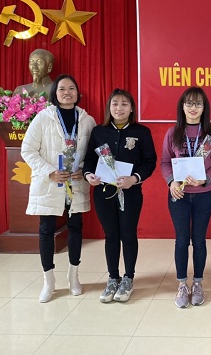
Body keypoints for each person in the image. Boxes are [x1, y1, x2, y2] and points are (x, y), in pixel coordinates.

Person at [21, 74, 96, 303]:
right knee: (46, 229)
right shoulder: (43, 118)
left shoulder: (87, 120)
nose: (67, 92)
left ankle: (73, 277)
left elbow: (94, 153)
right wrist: (49, 172)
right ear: (55, 93)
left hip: (75, 182)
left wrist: (83, 169)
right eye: (62, 89)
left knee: (75, 227)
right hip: (50, 183)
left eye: (71, 88)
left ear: (77, 92)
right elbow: (28, 150)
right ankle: (49, 281)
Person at [83, 89, 157, 303]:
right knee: (111, 235)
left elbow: (150, 162)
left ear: (131, 108)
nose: (119, 108)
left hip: (131, 193)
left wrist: (134, 178)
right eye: (115, 104)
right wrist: (89, 175)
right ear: (109, 107)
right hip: (103, 193)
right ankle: (112, 278)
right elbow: (89, 160)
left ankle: (128, 278)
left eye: (124, 104)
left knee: (128, 234)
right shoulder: (99, 132)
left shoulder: (142, 132)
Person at [161, 87, 211, 308]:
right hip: (179, 195)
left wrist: (205, 179)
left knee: (199, 240)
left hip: (204, 195)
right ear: (182, 106)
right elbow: (165, 162)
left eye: (198, 103)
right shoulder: (173, 133)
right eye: (189, 103)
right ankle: (181, 284)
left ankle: (197, 283)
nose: (193, 108)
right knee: (181, 240)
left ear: (204, 107)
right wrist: (171, 182)